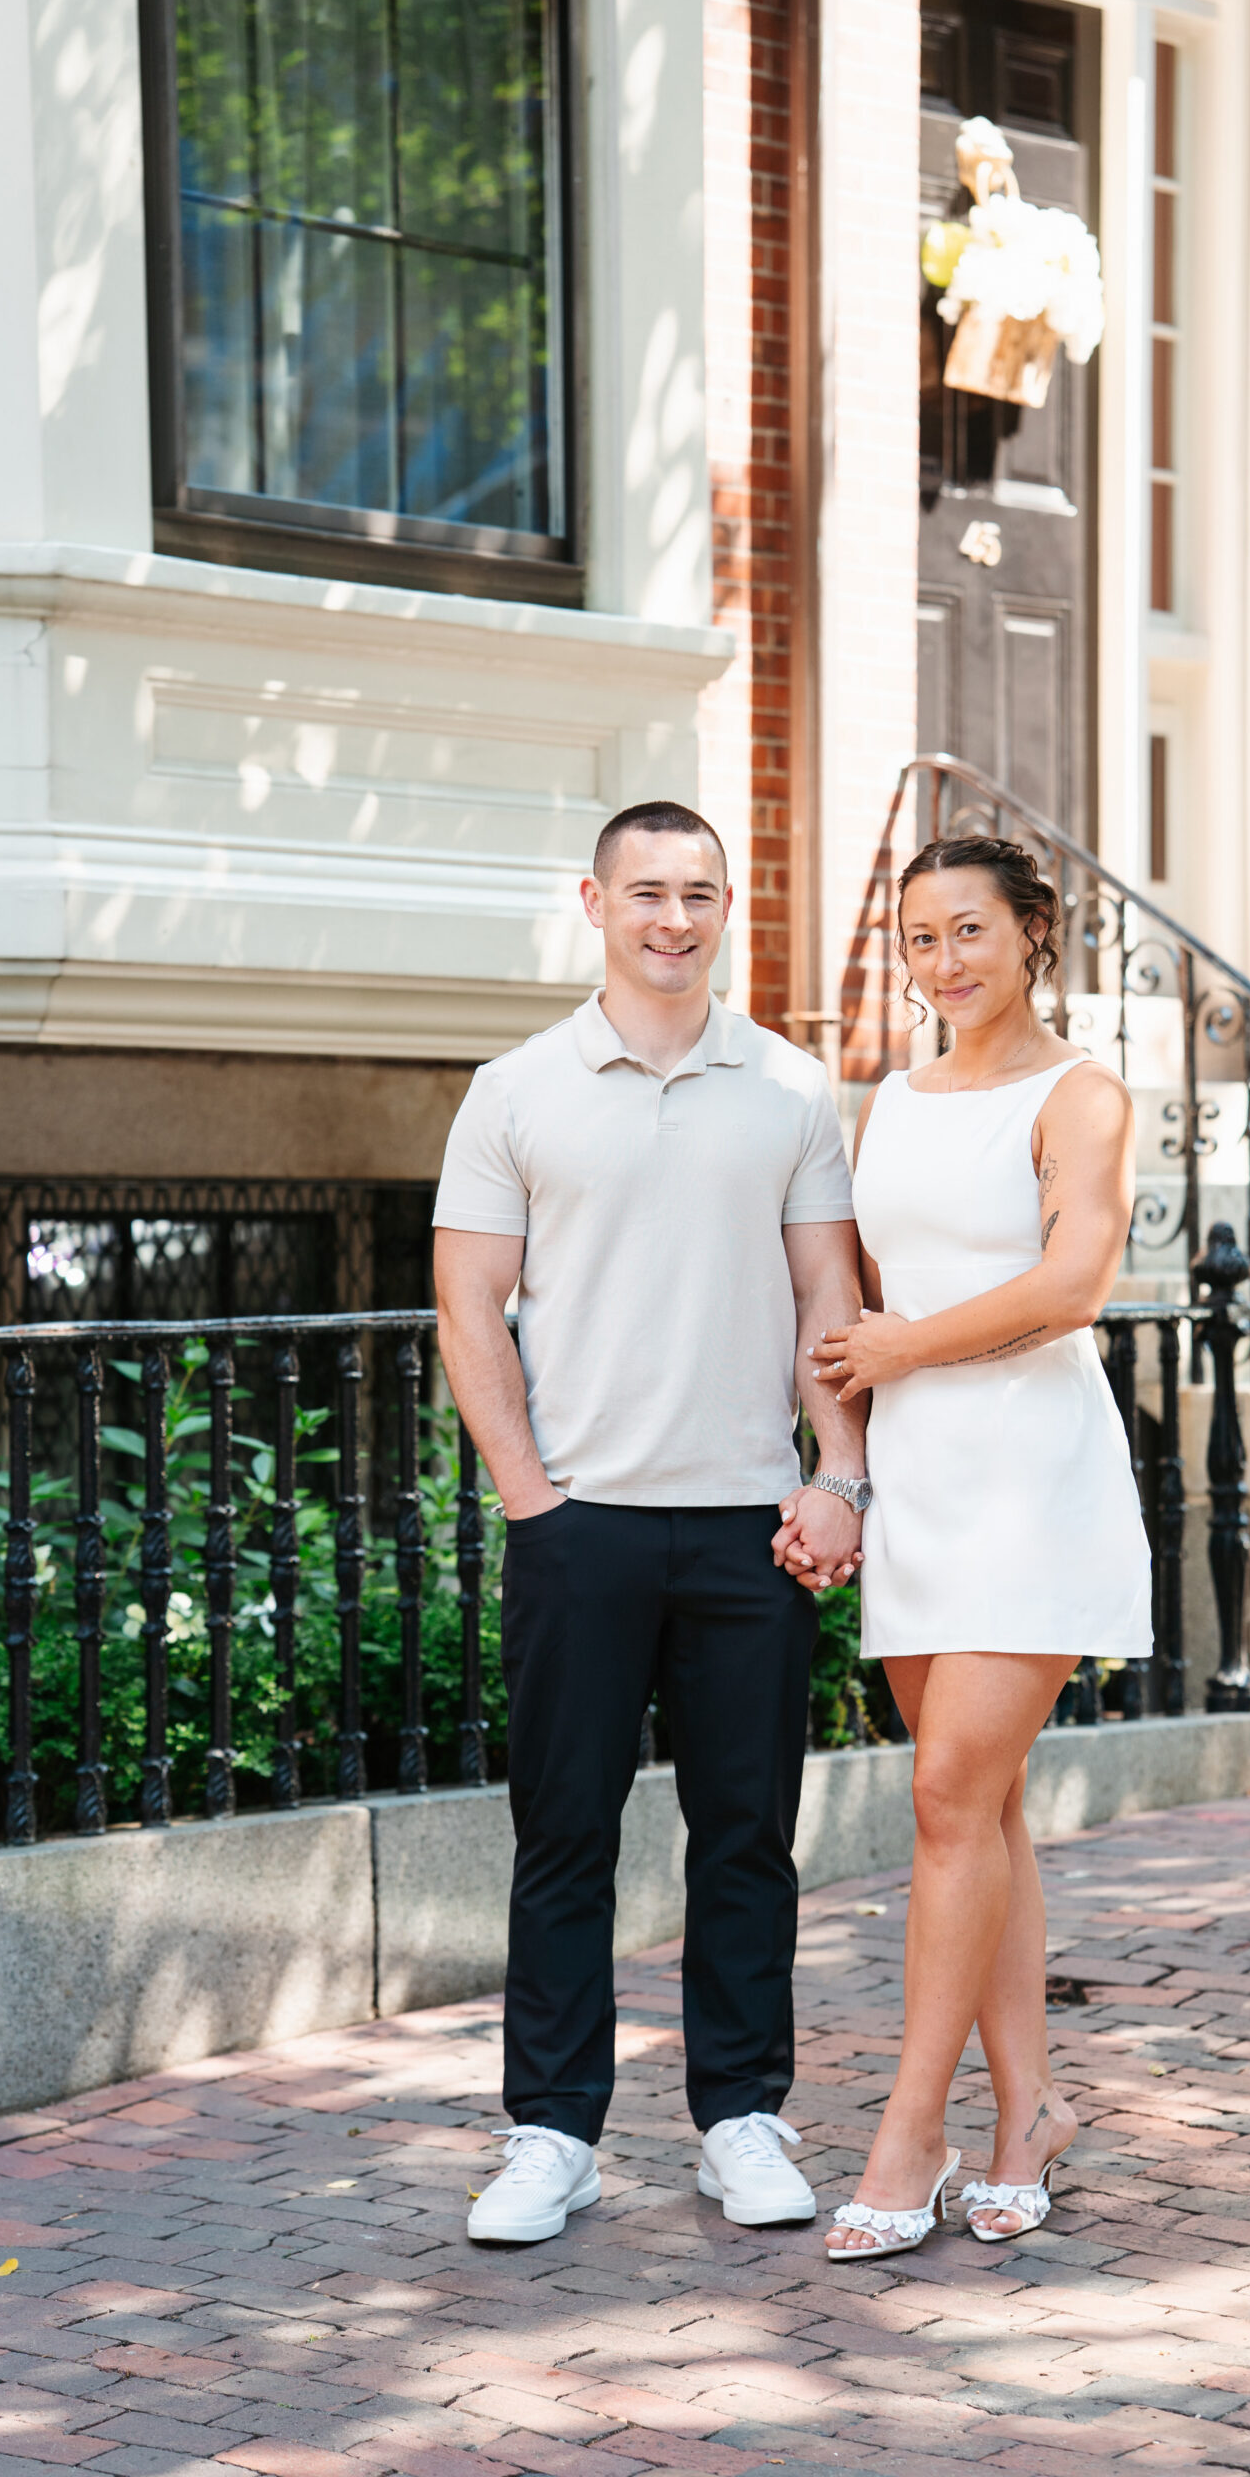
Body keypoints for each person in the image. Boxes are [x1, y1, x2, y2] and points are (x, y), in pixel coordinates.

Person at [433, 800, 870, 2245]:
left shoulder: (794, 1090)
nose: (672, 920)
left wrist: (836, 1473)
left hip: (752, 1522)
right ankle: (550, 2135)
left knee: (744, 1840)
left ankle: (741, 2115)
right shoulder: (515, 1090)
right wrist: (528, 1498)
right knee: (565, 1835)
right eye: (646, 894)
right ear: (595, 902)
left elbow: (829, 1304)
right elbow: (468, 1304)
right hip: (583, 1527)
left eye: (698, 895)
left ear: (727, 905)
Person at [813, 833, 1151, 2256]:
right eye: (920, 939)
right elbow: (849, 1297)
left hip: (1035, 1476)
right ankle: (1031, 2117)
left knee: (950, 1798)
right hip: (926, 1483)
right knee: (986, 1813)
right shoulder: (890, 1100)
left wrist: (904, 1347)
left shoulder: (1082, 1098)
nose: (943, 961)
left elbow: (1075, 1283)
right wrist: (841, 1469)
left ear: (1031, 935)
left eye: (969, 931)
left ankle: (911, 2130)